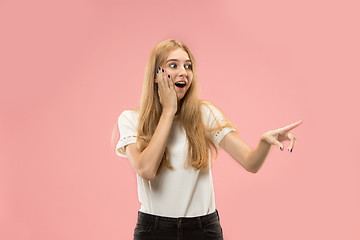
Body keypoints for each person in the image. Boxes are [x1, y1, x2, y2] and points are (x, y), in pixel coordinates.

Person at [115, 39, 302, 240]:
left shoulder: (204, 113)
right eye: (173, 65)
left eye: (188, 66)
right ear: (155, 75)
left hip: (202, 229)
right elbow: (146, 169)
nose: (183, 72)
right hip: (154, 230)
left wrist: (264, 142)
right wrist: (168, 111)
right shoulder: (131, 119)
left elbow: (250, 163)